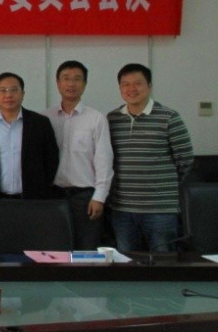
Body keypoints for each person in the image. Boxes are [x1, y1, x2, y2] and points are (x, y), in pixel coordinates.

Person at [107, 63, 194, 252]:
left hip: (160, 210)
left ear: (149, 86)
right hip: (122, 209)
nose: (132, 89)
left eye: (138, 83)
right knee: (126, 262)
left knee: (164, 262)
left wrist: (162, 187)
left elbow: (185, 161)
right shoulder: (112, 119)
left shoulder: (169, 117)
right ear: (120, 88)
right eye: (125, 84)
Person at [44, 60, 114, 249]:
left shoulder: (96, 118)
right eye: (66, 78)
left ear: (85, 84)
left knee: (86, 251)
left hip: (85, 198)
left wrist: (99, 197)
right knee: (55, 248)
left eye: (77, 79)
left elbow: (104, 161)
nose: (71, 84)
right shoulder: (46, 118)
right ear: (57, 82)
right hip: (53, 195)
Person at [0, 72, 59, 201]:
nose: (8, 95)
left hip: (33, 198)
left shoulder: (40, 123)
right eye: (3, 90)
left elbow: (51, 158)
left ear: (23, 94)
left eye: (14, 90)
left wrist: (41, 185)